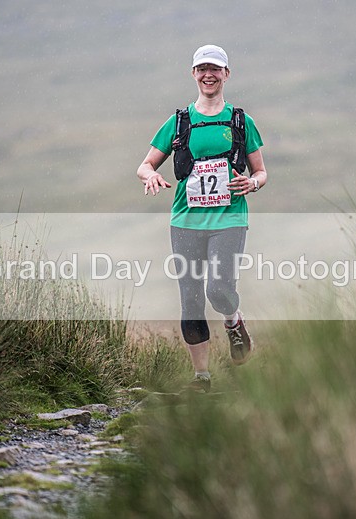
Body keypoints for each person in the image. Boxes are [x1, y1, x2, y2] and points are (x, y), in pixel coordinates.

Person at [136, 44, 267, 392]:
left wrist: (252, 183)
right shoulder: (179, 122)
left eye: (215, 69)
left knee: (219, 289)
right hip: (185, 221)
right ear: (193, 74)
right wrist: (150, 175)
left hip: (230, 218)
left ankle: (233, 321)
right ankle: (202, 378)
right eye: (202, 69)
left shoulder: (241, 121)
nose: (209, 75)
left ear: (226, 74)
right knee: (191, 299)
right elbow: (145, 164)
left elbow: (261, 171)